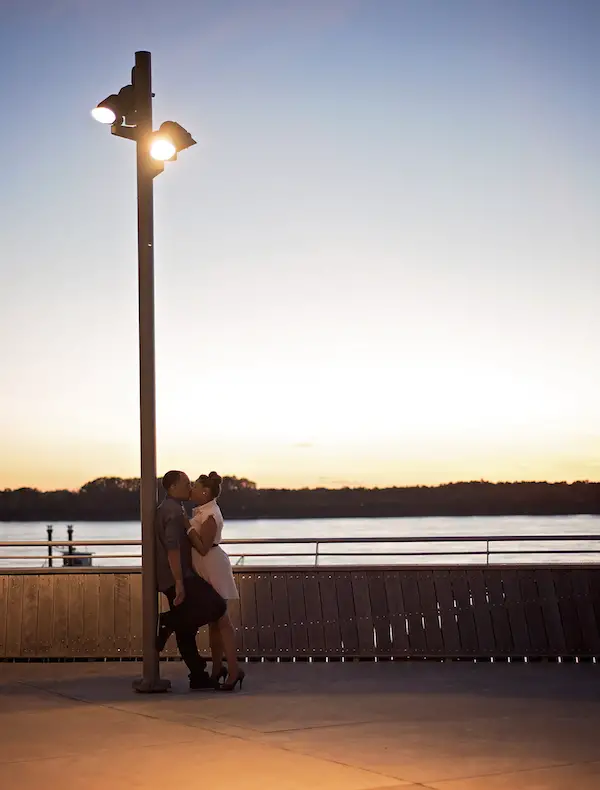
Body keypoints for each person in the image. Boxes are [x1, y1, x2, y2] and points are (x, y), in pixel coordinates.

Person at [154, 470, 227, 691]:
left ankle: (197, 674)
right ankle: (169, 621)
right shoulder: (173, 512)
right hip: (179, 575)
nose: (190, 487)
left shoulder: (172, 508)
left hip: (177, 574)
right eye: (186, 483)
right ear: (172, 487)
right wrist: (179, 583)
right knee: (216, 605)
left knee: (186, 631)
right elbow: (173, 549)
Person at [186, 472, 245, 692]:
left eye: (195, 486)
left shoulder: (210, 514)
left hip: (213, 566)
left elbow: (203, 546)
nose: (191, 488)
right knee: (214, 620)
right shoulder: (204, 511)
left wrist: (188, 527)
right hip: (206, 566)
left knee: (222, 621)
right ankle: (218, 668)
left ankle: (233, 670)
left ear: (205, 492)